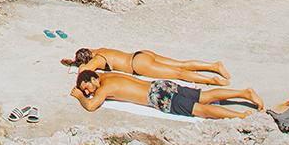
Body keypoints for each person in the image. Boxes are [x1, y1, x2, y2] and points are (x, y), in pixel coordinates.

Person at [70, 69, 264, 119]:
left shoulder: (104, 88)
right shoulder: (108, 75)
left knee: (201, 110)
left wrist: (78, 95)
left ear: (94, 80)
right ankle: (244, 93)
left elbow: (91, 106)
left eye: (87, 88)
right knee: (203, 96)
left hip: (158, 97)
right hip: (160, 85)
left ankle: (241, 116)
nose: (88, 92)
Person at [59, 47, 229, 85]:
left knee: (178, 73)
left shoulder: (96, 60)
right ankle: (214, 66)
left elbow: (84, 71)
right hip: (141, 54)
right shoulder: (99, 50)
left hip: (138, 65)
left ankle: (212, 80)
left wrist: (78, 66)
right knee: (180, 64)